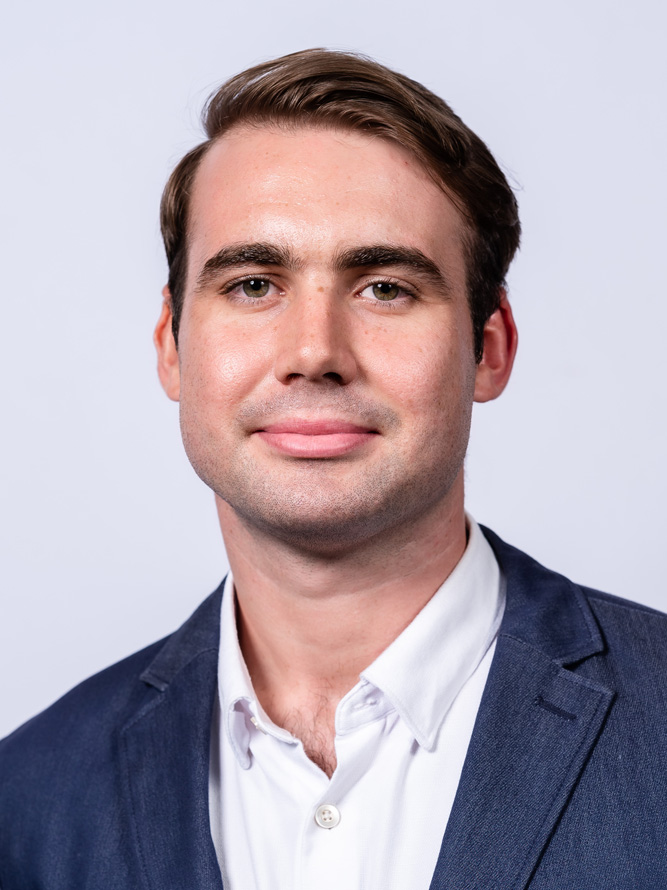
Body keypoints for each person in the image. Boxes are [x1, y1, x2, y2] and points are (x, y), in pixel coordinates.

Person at [1, 48, 666, 890]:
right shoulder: (28, 805)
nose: (313, 352)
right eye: (252, 285)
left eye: (384, 287)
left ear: (489, 348)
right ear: (172, 346)